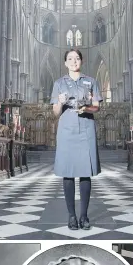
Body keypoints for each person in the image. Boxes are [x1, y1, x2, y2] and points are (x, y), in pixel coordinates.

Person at [50, 49, 103, 231]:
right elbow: (56, 113)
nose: (74, 61)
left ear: (82, 61)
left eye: (77, 58)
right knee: (68, 172)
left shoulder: (91, 81)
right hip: (66, 130)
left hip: (86, 129)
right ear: (65, 63)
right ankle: (72, 216)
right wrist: (60, 102)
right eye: (70, 59)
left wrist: (86, 109)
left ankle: (84, 216)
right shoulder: (58, 83)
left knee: (85, 172)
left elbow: (96, 107)